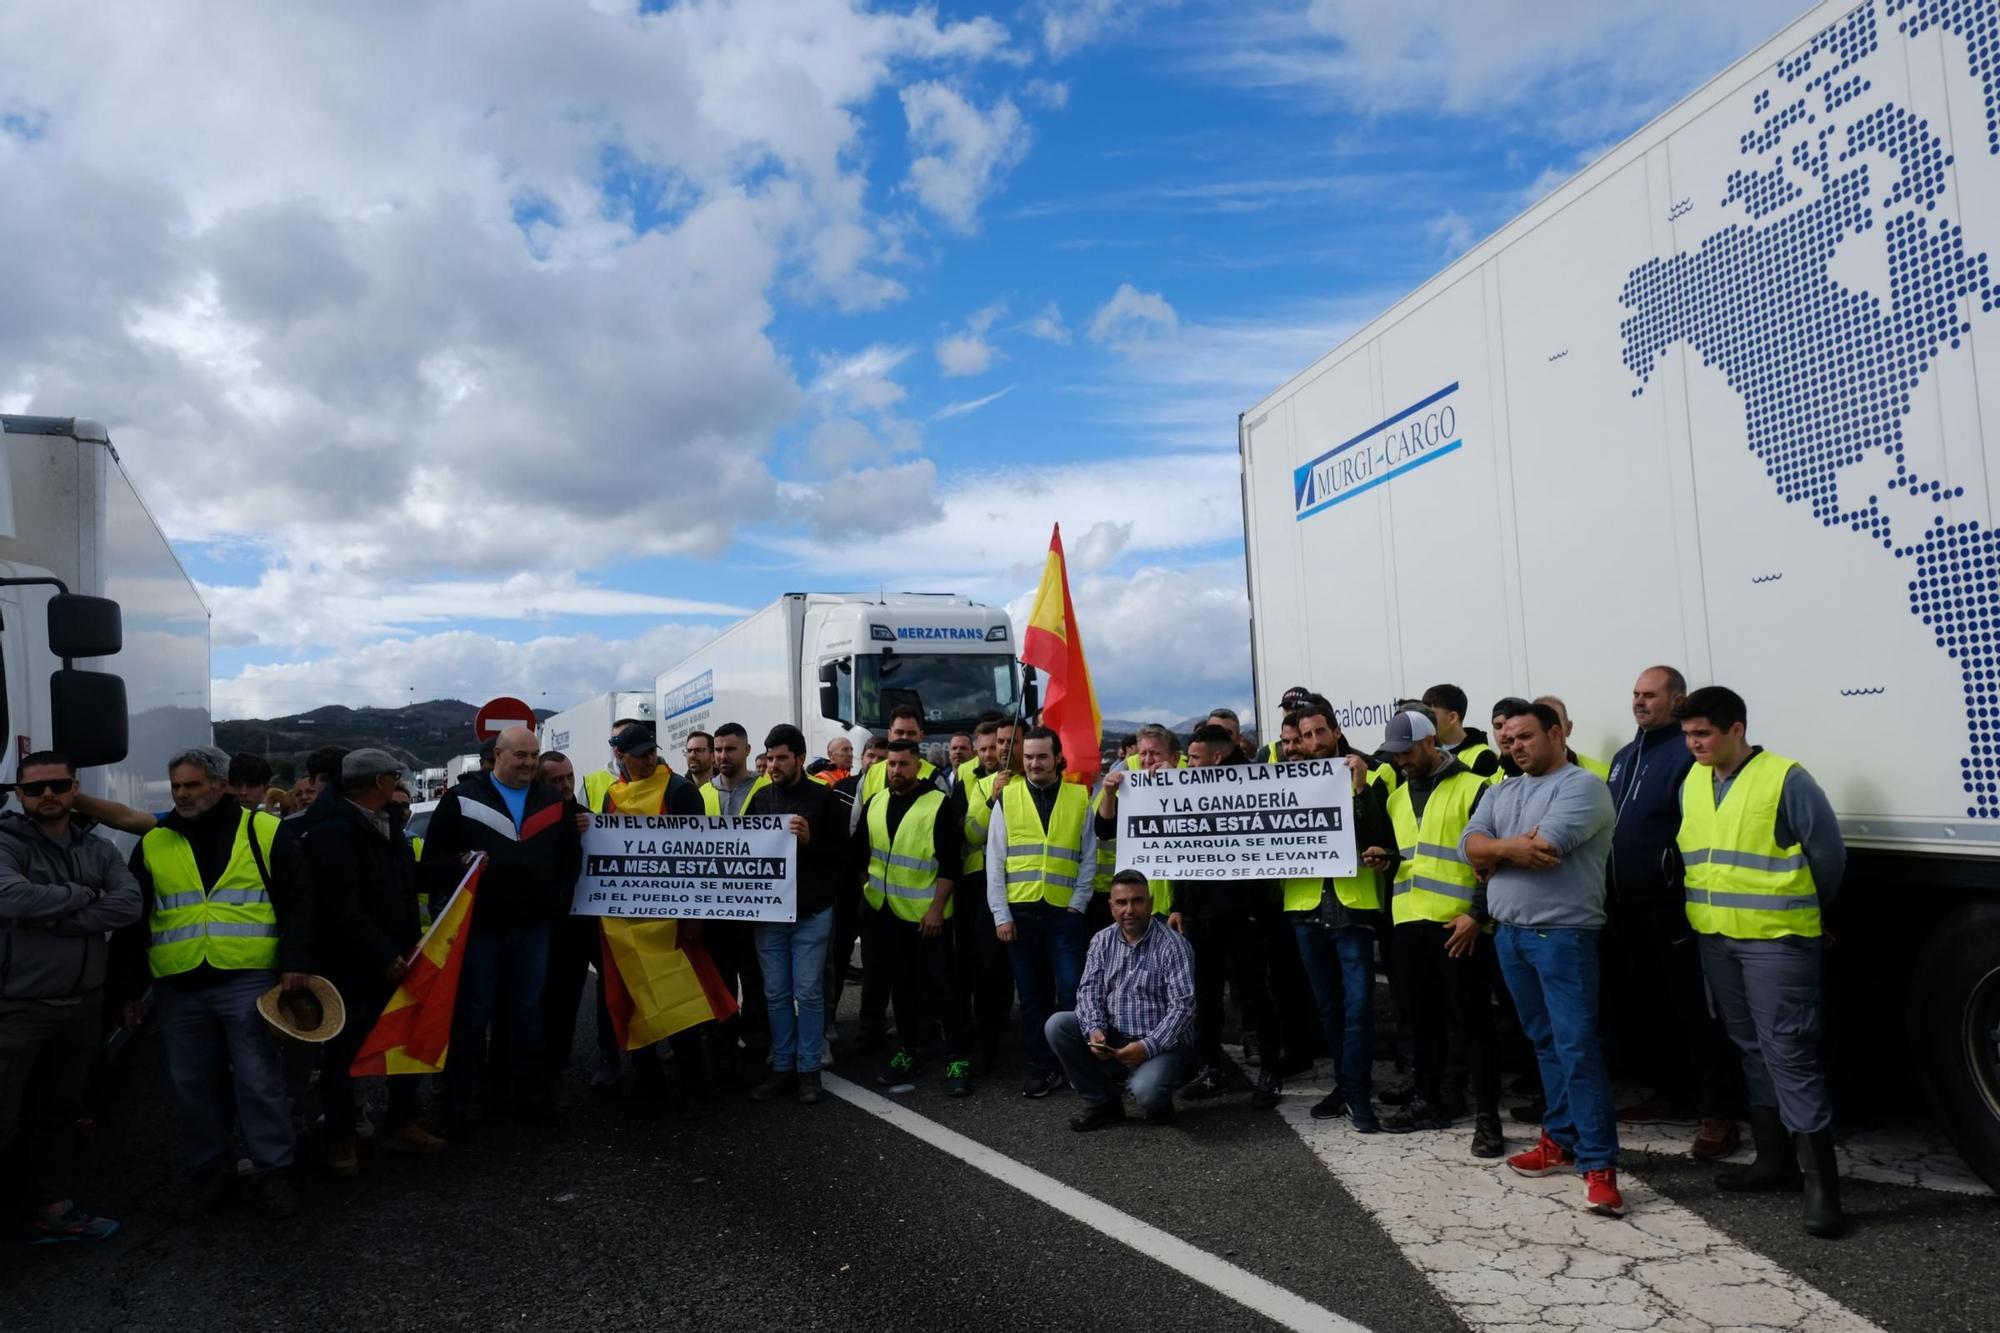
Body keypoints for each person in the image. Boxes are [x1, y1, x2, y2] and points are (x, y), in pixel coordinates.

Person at [1675, 686, 1846, 1238]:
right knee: (1750, 1047)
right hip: (1718, 939)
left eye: (1703, 733)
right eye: (1688, 735)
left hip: (1777, 941)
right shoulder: (1694, 782)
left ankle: (1822, 1187)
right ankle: (1773, 1162)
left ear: (1737, 729)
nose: (1694, 743)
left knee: (1789, 1052)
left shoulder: (1784, 778)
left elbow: (1827, 857)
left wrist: (1805, 913)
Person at [117, 745, 313, 1217]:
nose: (182, 795)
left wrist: (296, 962)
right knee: (192, 1084)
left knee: (258, 1080)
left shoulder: (265, 831)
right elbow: (133, 920)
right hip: (178, 986)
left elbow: (302, 903)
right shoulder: (155, 842)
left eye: (192, 785)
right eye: (176, 786)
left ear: (220, 785)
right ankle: (211, 1170)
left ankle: (274, 1170)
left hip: (246, 980)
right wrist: (125, 991)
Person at [1464, 703, 1624, 1219]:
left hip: (1563, 935)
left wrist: (1496, 852)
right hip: (1510, 936)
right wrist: (1507, 849)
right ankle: (1560, 1139)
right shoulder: (1500, 790)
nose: (1515, 747)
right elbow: (1469, 846)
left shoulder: (1582, 787)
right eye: (1508, 741)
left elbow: (1549, 847)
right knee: (1546, 1044)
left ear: (1556, 733)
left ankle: (1599, 1166)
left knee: (1577, 1048)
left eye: (1526, 737)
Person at [0, 752, 143, 1241]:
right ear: (19, 794)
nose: (47, 796)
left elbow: (128, 905)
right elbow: (10, 900)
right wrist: (86, 895)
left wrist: (51, 911)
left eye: (58, 786)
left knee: (59, 1116)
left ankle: (51, 1208)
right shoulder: (4, 842)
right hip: (16, 1008)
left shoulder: (98, 848)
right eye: (35, 788)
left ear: (73, 789)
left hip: (83, 1006)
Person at [1606, 665, 1739, 1161]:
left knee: (1695, 1012)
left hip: (1673, 908)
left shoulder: (1686, 754)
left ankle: (1718, 1113)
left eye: (1650, 695)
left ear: (1677, 700)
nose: (1639, 702)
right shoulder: (1624, 757)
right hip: (1628, 908)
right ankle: (1673, 1094)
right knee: (1653, 1007)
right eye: (1635, 694)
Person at [420, 726, 581, 1132]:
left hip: (533, 930)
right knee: (472, 1015)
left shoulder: (551, 801)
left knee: (527, 1013)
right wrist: (459, 863)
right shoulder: (460, 800)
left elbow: (569, 861)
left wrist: (554, 902)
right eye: (520, 756)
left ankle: (528, 1098)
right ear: (497, 755)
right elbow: (430, 866)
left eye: (534, 755)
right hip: (480, 931)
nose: (529, 762)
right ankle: (460, 1103)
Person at [297, 749, 447, 1176]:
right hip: (353, 967)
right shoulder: (332, 832)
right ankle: (342, 1138)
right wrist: (382, 955)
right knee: (344, 1055)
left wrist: (457, 866)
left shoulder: (387, 825)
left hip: (399, 958)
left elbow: (407, 878)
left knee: (407, 1043)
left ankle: (402, 1122)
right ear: (381, 782)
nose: (398, 783)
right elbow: (339, 907)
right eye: (395, 776)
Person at [1369, 711, 1504, 1156]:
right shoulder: (1397, 797)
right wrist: (1388, 858)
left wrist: (1477, 916)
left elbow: (1494, 862)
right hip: (1409, 925)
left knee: (1473, 1025)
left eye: (1407, 751)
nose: (1402, 761)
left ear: (1430, 742)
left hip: (1459, 926)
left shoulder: (1474, 788)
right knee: (1421, 1023)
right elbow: (1416, 855)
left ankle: (1487, 1118)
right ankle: (1428, 1100)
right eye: (1395, 754)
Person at [1281, 704, 1395, 1131]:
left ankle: (1357, 1090)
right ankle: (1346, 1086)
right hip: (1305, 906)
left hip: (1352, 906)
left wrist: (1361, 788)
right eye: (1304, 735)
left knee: (1359, 1005)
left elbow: (1383, 837)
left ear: (1335, 729)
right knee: (1328, 1007)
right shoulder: (1287, 777)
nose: (1312, 742)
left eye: (1318, 732)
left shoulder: (1372, 772)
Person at [1169, 724, 1285, 1109]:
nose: (1189, 764)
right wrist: (1178, 904)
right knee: (1204, 995)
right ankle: (1210, 1069)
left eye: (1195, 758)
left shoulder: (1256, 783)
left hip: (1244, 913)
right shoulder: (1188, 788)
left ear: (1217, 757)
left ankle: (1271, 1070)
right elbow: (1179, 850)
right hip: (1201, 914)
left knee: (1255, 994)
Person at [594, 725, 709, 1104]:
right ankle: (650, 1084)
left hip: (671, 922)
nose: (647, 759)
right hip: (626, 925)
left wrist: (693, 916)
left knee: (679, 1003)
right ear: (619, 757)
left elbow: (698, 856)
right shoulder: (612, 797)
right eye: (639, 754)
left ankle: (694, 1087)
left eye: (650, 752)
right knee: (636, 1002)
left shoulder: (679, 790)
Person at [857, 739, 973, 1096]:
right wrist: (869, 893)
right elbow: (862, 854)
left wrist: (937, 909)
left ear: (918, 766)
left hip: (928, 918)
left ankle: (958, 1060)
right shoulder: (875, 802)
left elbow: (951, 864)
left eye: (903, 765)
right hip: (886, 915)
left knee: (945, 992)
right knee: (902, 990)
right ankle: (908, 1054)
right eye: (891, 765)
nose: (896, 771)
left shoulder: (936, 804)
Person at [987, 727, 1095, 1099]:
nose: (1034, 763)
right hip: (1020, 915)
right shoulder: (1008, 796)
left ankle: (1078, 1066)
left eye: (1042, 756)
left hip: (1063, 915)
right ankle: (1043, 1066)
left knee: (1072, 993)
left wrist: (1077, 906)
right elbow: (995, 860)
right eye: (1029, 756)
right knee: (1031, 997)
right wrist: (1001, 914)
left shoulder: (1080, 797)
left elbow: (1088, 858)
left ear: (1057, 757)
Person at [1047, 872, 1196, 1130]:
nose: (1129, 910)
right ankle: (1102, 1104)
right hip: (1114, 1036)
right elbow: (1088, 992)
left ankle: (1159, 1100)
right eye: (1121, 902)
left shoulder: (1174, 945)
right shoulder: (1101, 940)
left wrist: (1147, 1047)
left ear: (1150, 902)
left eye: (1137, 901)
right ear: (1111, 906)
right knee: (1058, 1025)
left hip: (1161, 1042)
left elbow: (1183, 1008)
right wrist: (1095, 1030)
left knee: (1145, 1091)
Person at [744, 725, 844, 1105]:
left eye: (782, 757)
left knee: (809, 992)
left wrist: (810, 840)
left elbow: (841, 853)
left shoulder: (823, 798)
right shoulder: (761, 799)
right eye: (770, 758)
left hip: (810, 913)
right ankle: (782, 1066)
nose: (774, 765)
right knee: (777, 994)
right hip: (770, 916)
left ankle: (809, 1070)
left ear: (800, 758)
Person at [697, 721, 769, 1080]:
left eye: (730, 749)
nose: (723, 756)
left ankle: (756, 1047)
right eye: (719, 749)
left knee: (755, 981)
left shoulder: (766, 790)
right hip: (714, 910)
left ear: (746, 750)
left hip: (754, 909)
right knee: (718, 980)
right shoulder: (701, 794)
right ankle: (721, 1049)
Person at [953, 717, 1016, 1071]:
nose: (995, 753)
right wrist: (992, 800)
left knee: (1005, 968)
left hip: (1020, 883)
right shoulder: (972, 781)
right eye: (989, 747)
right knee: (984, 965)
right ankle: (984, 1040)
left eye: (1001, 745)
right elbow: (970, 832)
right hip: (979, 882)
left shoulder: (1027, 779)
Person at [1422, 684, 1502, 779]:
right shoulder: (1425, 752)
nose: (1425, 719)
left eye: (1430, 714)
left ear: (1452, 717)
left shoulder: (1484, 757)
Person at [1536, 696, 1610, 781]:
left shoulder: (1602, 776)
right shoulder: (1521, 783)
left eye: (1553, 723)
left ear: (1568, 728)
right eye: (1539, 725)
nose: (1548, 732)